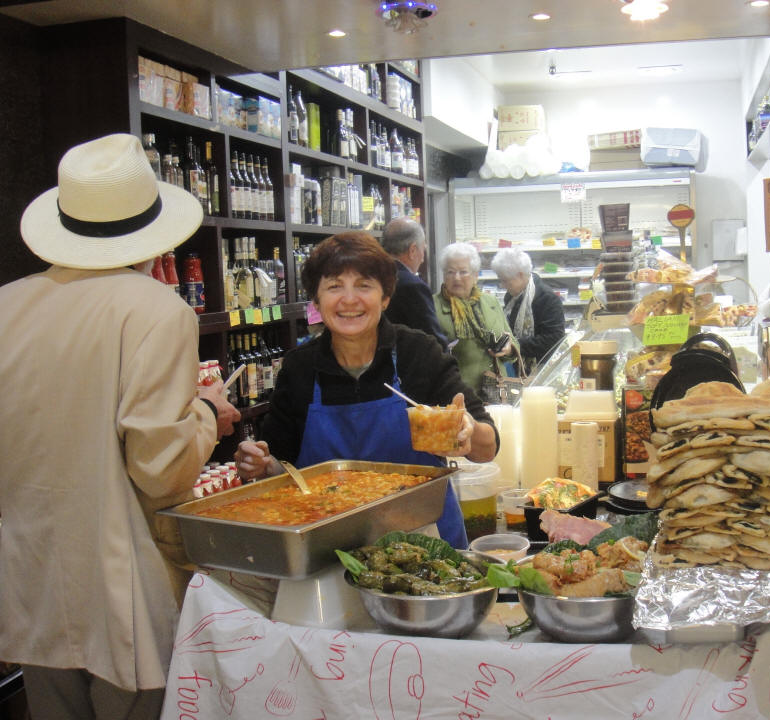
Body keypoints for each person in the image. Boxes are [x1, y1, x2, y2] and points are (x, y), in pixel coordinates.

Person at [0, 133, 241, 720]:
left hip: (29, 573)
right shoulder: (155, 309)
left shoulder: (8, 303)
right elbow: (160, 469)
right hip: (122, 580)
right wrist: (208, 413)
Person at [234, 232, 498, 549]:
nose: (349, 300)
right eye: (334, 286)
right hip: (329, 550)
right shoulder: (300, 368)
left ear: (385, 297)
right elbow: (283, 469)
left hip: (426, 546)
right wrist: (263, 466)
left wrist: (467, 431)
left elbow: (488, 448)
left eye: (364, 285)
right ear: (316, 301)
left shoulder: (419, 352)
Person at [433, 242, 518, 394]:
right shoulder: (433, 306)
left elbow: (511, 339)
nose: (456, 278)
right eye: (450, 272)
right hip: (457, 394)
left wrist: (509, 348)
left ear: (475, 275)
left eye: (463, 272)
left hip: (496, 392)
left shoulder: (490, 302)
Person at [491, 247, 566, 373]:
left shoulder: (547, 298)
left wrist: (515, 345)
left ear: (520, 275)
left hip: (541, 369)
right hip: (517, 367)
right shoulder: (512, 296)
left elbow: (554, 339)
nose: (502, 285)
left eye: (505, 281)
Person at [380, 216, 449, 350]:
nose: (423, 259)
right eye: (423, 249)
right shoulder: (412, 286)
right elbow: (432, 338)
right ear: (412, 250)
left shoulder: (370, 275)